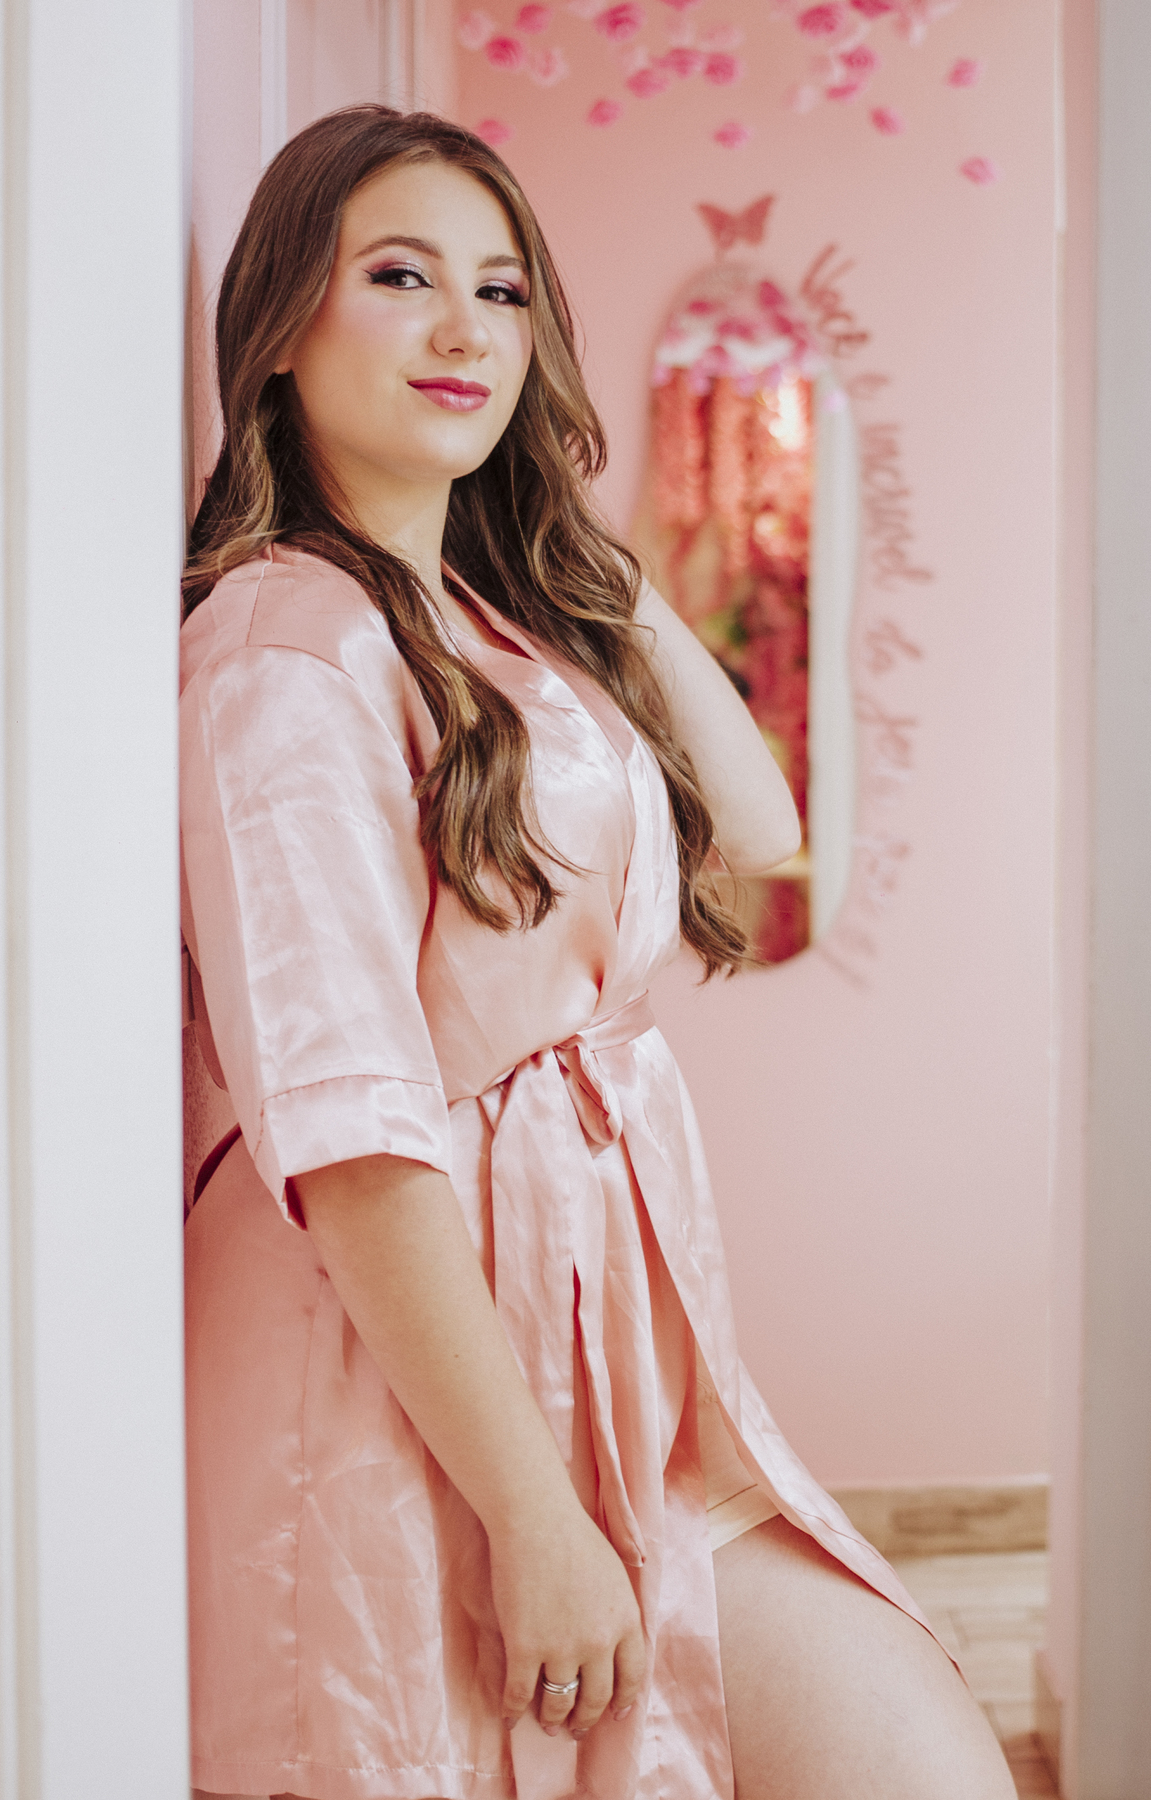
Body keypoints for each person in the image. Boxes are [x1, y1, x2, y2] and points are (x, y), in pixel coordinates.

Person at [179, 105, 1016, 1800]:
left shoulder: (489, 624)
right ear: (278, 329)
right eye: (400, 276)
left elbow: (760, 824)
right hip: (397, 1381)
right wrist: (534, 1519)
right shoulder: (284, 659)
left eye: (501, 291)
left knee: (908, 1750)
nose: (464, 329)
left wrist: (568, 544)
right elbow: (350, 1143)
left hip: (606, 1345)